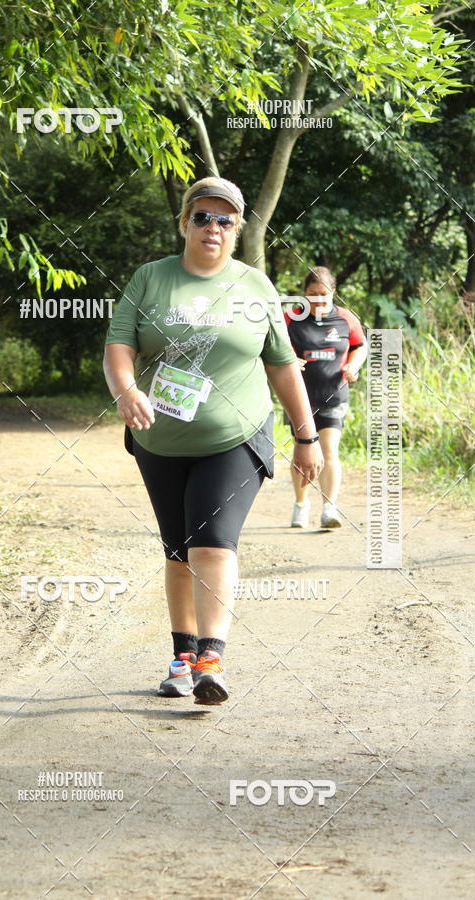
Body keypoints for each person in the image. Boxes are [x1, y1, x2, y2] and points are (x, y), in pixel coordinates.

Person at [103, 176, 323, 705]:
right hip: (160, 440)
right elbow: (118, 346)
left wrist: (306, 436)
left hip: (236, 436)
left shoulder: (256, 287)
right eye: (202, 216)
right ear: (184, 222)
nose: (213, 227)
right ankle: (181, 659)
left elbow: (283, 366)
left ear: (237, 229)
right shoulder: (151, 279)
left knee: (210, 542)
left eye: (225, 220)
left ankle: (211, 659)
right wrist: (127, 389)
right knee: (178, 551)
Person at [284, 266, 367, 529]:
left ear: (333, 292)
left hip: (334, 393)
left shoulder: (346, 319)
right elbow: (274, 346)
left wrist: (353, 366)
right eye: (312, 294)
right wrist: (289, 360)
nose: (318, 299)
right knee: (304, 452)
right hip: (299, 397)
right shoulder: (290, 318)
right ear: (304, 293)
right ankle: (301, 503)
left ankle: (329, 508)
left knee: (329, 450)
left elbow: (360, 345)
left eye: (324, 294)